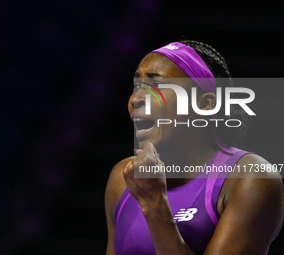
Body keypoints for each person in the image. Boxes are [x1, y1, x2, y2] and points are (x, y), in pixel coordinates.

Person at [105, 40, 284, 255]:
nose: (135, 100)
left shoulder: (250, 178)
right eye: (136, 87)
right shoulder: (122, 178)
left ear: (205, 104)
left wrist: (154, 203)